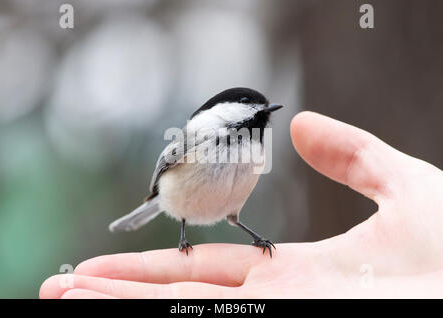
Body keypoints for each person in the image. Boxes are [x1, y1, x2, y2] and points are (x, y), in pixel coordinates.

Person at [39, 111, 443, 298]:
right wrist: (179, 231)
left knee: (235, 219)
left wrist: (256, 237)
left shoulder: (254, 152)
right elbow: (164, 173)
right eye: (255, 119)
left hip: (228, 212)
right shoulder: (194, 140)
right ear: (231, 124)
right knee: (171, 207)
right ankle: (179, 231)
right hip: (175, 201)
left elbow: (233, 211)